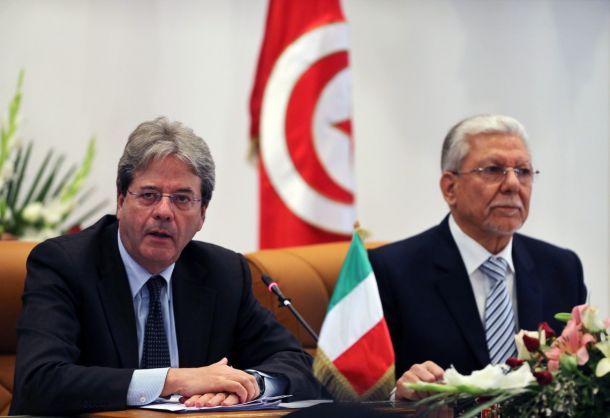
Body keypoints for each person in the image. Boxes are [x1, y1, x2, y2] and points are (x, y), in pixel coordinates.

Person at [10, 117, 323, 415]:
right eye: (149, 195)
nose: (163, 211)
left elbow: (298, 365)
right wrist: (174, 380)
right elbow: (39, 381)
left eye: (182, 199)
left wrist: (247, 385)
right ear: (121, 201)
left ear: (202, 214)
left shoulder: (224, 273)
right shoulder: (65, 264)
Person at [368, 114, 586, 401]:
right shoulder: (390, 271)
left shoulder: (562, 268)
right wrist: (400, 396)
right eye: (493, 170)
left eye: (523, 171)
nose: (512, 184)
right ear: (450, 188)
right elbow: (360, 391)